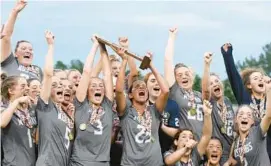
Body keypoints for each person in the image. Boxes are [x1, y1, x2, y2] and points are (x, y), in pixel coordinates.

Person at [115, 49, 169, 166]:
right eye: (137, 87)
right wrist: (124, 60)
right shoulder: (126, 112)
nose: (141, 88)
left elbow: (165, 91)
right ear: (130, 95)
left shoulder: (154, 111)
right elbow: (119, 91)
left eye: (144, 87)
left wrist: (151, 66)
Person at [221, 43, 271, 162]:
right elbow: (234, 78)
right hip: (251, 152)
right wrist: (228, 55)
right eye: (255, 78)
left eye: (261, 77)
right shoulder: (245, 100)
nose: (260, 79)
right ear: (249, 85)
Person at [69, 36, 114, 166]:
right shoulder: (81, 104)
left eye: (100, 86)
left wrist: (103, 48)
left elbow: (107, 74)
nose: (98, 88)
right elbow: (87, 71)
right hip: (80, 162)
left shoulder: (107, 105)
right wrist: (95, 45)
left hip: (103, 162)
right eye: (93, 86)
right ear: (87, 91)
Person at [35, 31, 73, 166]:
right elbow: (48, 74)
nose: (60, 87)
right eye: (55, 85)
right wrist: (51, 46)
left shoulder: (64, 112)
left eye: (61, 85)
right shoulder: (45, 106)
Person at [164, 27, 204, 140]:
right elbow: (168, 61)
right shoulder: (176, 92)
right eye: (179, 75)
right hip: (184, 144)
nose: (184, 76)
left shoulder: (199, 95)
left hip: (202, 147)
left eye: (187, 73)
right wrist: (172, 38)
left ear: (192, 75)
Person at [202, 52, 235, 165]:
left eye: (216, 81)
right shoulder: (209, 103)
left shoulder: (228, 101)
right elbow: (205, 91)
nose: (215, 84)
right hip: (216, 154)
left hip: (232, 154)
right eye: (211, 83)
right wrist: (207, 65)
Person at [1, 0, 43, 80]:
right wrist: (15, 12)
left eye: (31, 49)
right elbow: (6, 37)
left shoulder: (37, 70)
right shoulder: (10, 63)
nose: (28, 51)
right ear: (16, 53)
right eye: (23, 48)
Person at [1, 76, 37, 166]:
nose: (27, 88)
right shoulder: (4, 109)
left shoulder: (30, 110)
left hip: (32, 162)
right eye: (23, 86)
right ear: (11, 91)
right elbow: (2, 123)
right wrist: (16, 102)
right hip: (13, 163)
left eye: (27, 86)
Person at [163, 100, 213, 166]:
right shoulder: (170, 153)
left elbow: (206, 136)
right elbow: (168, 161)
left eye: (190, 137)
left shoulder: (194, 156)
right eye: (184, 136)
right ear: (176, 142)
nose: (188, 140)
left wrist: (207, 114)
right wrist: (185, 148)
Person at [231, 100, 271, 165]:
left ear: (252, 120)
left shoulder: (257, 132)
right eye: (241, 114)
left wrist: (269, 90)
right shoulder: (236, 142)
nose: (244, 117)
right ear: (236, 119)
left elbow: (269, 116)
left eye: (249, 115)